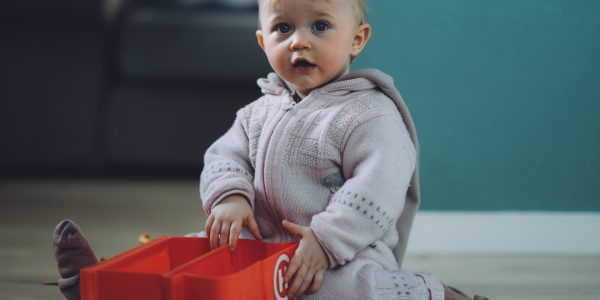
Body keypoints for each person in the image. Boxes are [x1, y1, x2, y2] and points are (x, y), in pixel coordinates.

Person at [53, 0, 487, 299]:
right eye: (283, 27)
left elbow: (380, 185)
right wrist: (231, 196)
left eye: (320, 25)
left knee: (345, 291)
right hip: (254, 242)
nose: (299, 40)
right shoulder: (257, 112)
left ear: (357, 39)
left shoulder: (368, 114)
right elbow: (224, 156)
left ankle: (437, 294)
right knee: (189, 256)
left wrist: (326, 239)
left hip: (332, 253)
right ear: (263, 41)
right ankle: (102, 285)